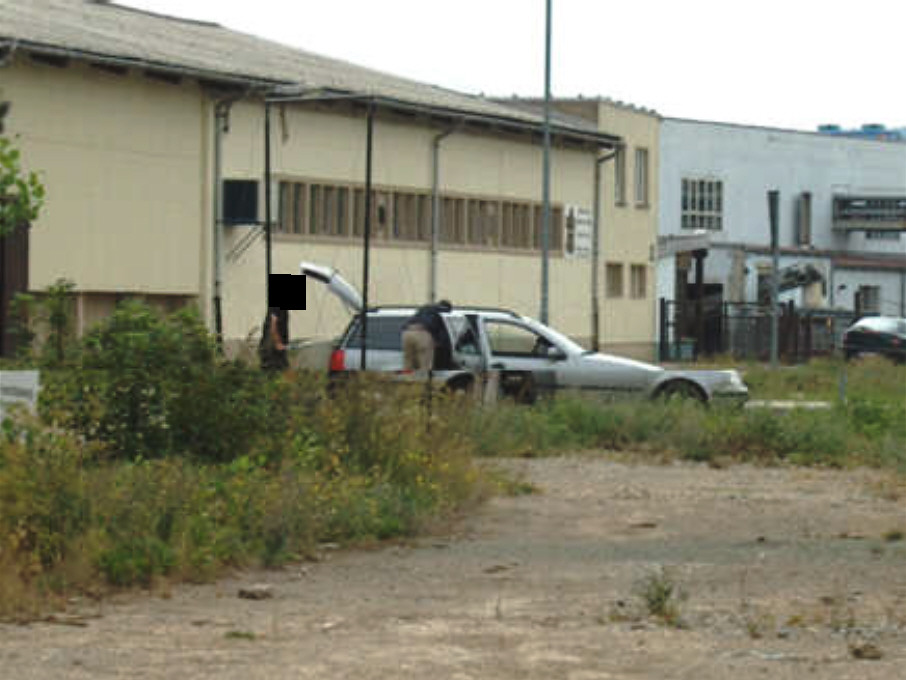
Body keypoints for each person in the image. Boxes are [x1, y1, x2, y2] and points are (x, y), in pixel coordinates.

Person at [401, 300, 452, 375]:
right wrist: (439, 343)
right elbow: (442, 335)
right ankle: (423, 384)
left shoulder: (423, 309)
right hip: (422, 332)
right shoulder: (438, 313)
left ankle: (407, 382)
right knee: (425, 364)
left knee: (408, 364)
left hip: (407, 332)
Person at [259, 306, 289, 372]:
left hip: (277, 347)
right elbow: (273, 325)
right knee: (274, 372)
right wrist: (277, 342)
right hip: (272, 348)